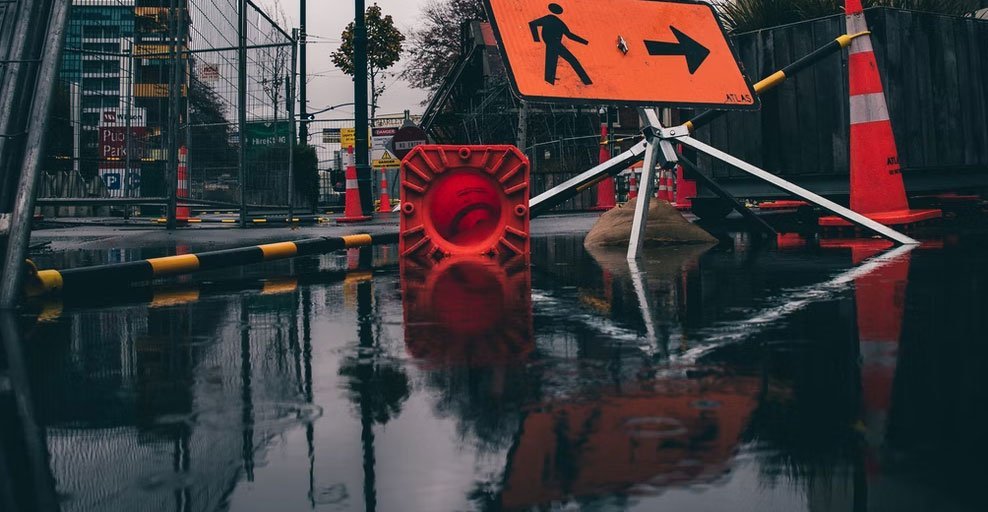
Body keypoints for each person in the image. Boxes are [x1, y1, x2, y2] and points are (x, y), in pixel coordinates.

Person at [529, 3, 592, 85]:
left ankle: (586, 81)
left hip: (555, 44)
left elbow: (569, 35)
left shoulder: (559, 22)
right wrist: (536, 40)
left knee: (554, 62)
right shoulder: (549, 18)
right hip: (552, 44)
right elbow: (533, 24)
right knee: (560, 62)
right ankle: (586, 81)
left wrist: (585, 42)